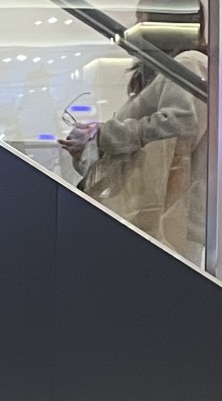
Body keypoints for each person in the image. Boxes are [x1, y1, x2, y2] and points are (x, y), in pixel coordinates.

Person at [65, 15, 208, 260]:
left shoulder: (188, 63)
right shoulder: (163, 71)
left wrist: (104, 134)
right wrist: (91, 145)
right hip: (153, 218)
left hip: (172, 219)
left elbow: (181, 123)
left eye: (145, 19)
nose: (136, 27)